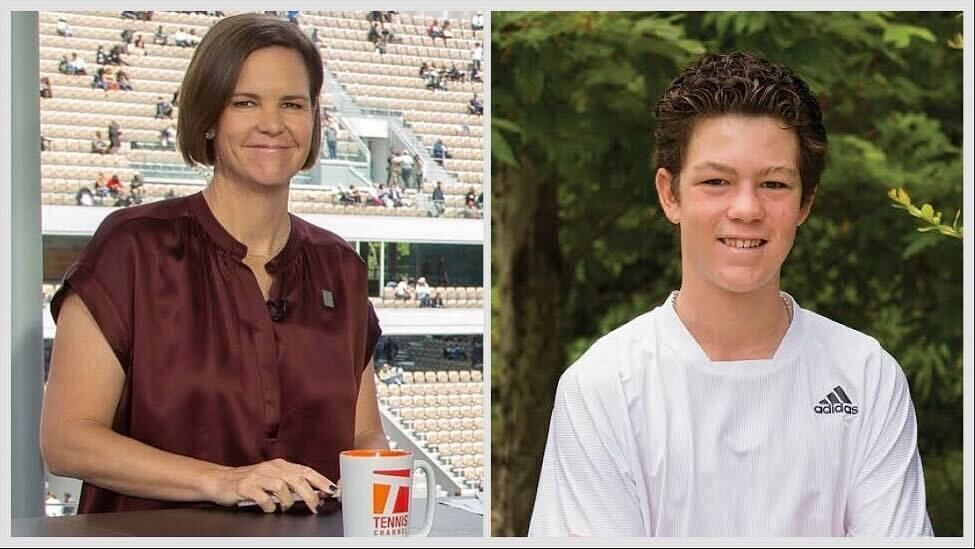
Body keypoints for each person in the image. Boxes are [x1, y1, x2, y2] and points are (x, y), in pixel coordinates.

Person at [528, 52, 933, 537]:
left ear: (805, 201)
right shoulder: (603, 386)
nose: (746, 208)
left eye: (774, 184)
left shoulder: (867, 377)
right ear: (670, 193)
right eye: (716, 181)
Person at [41, 13, 386, 516]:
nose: (273, 123)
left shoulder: (342, 268)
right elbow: (66, 440)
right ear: (208, 117)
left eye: (292, 104)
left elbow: (364, 434)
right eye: (244, 102)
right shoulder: (132, 248)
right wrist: (225, 481)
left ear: (313, 121)